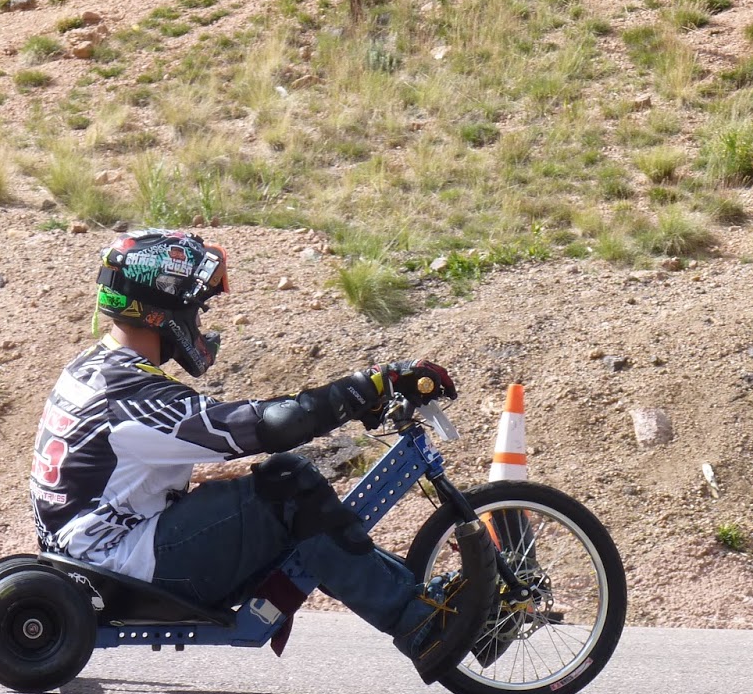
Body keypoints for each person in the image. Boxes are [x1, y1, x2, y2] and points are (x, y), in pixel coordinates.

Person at [29, 229, 468, 665]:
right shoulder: (133, 395)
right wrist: (366, 386)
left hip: (97, 560)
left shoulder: (94, 369)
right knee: (290, 487)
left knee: (283, 502)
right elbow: (265, 427)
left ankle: (415, 602)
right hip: (120, 570)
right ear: (164, 307)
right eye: (197, 308)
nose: (199, 321)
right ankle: (420, 625)